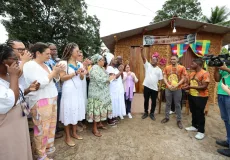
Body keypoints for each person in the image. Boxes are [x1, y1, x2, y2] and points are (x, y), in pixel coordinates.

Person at [23, 42, 64, 160]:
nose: (49, 55)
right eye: (47, 53)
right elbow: (39, 84)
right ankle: (40, 154)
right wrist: (54, 73)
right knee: (41, 128)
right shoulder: (30, 65)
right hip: (40, 99)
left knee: (51, 125)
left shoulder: (46, 65)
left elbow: (54, 80)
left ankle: (47, 147)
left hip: (52, 96)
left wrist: (57, 72)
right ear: (37, 53)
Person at [0, 44, 33, 160]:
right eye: (14, 59)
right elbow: (10, 101)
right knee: (11, 150)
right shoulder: (11, 75)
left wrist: (29, 89)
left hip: (18, 118)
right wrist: (14, 76)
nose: (18, 61)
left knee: (22, 146)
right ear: (3, 61)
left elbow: (17, 92)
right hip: (7, 124)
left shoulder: (8, 75)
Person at [59, 43, 85, 147]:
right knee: (68, 111)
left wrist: (82, 74)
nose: (79, 53)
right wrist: (75, 73)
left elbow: (82, 78)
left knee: (75, 110)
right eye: (77, 51)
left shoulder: (79, 63)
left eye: (79, 51)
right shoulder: (63, 63)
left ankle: (74, 133)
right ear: (71, 52)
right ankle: (67, 137)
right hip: (68, 90)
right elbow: (62, 78)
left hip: (78, 90)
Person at [87, 54, 115, 137]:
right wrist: (108, 79)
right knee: (96, 110)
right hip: (96, 94)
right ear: (98, 61)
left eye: (104, 60)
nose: (104, 61)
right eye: (102, 60)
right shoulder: (94, 68)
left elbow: (106, 76)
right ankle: (94, 128)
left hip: (101, 93)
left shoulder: (102, 68)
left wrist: (110, 77)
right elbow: (99, 79)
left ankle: (99, 124)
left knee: (100, 109)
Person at [183, 58, 210, 140]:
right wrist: (186, 85)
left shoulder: (205, 73)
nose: (191, 65)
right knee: (193, 111)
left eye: (192, 63)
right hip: (192, 95)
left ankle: (201, 131)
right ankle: (194, 126)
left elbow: (204, 87)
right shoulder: (192, 73)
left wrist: (190, 86)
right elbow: (189, 83)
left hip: (201, 97)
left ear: (197, 64)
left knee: (200, 113)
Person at [161, 54, 187, 129]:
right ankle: (166, 117)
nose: (172, 60)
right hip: (168, 88)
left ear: (177, 60)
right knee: (168, 103)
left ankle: (179, 120)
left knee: (177, 104)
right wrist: (168, 85)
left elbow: (183, 77)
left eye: (174, 59)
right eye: (171, 59)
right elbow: (165, 77)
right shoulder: (167, 67)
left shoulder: (182, 68)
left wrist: (178, 84)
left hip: (178, 89)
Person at [45, 42, 63, 139]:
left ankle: (56, 128)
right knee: (51, 112)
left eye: (55, 49)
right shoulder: (46, 62)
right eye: (52, 49)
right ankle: (52, 132)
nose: (55, 51)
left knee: (56, 111)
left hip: (57, 89)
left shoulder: (54, 61)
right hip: (50, 91)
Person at [140, 46, 163, 120]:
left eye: (154, 60)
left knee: (154, 102)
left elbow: (160, 80)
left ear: (157, 61)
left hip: (154, 88)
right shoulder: (148, 65)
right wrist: (142, 50)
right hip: (146, 86)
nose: (152, 61)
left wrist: (159, 88)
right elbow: (143, 58)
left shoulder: (159, 70)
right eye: (152, 60)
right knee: (146, 100)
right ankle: (146, 112)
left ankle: (152, 113)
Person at [214, 62, 230, 157]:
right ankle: (228, 141)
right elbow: (217, 79)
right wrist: (216, 69)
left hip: (229, 95)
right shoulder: (224, 64)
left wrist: (226, 69)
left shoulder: (225, 67)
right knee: (226, 120)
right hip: (221, 94)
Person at [106, 54, 126, 121]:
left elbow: (121, 77)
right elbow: (113, 77)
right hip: (112, 89)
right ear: (111, 61)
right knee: (112, 103)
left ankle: (114, 116)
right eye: (114, 59)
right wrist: (120, 71)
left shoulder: (115, 68)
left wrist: (121, 71)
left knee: (115, 102)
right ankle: (110, 119)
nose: (116, 61)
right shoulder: (109, 68)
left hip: (117, 89)